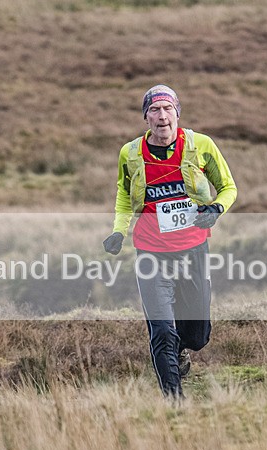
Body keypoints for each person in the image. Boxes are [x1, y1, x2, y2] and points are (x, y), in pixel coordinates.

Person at [102, 84, 237, 398]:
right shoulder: (131, 153)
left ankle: (183, 349)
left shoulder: (201, 146)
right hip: (150, 251)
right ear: (146, 117)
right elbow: (124, 196)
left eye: (167, 109)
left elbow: (228, 188)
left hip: (193, 249)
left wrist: (216, 209)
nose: (162, 117)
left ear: (177, 113)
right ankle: (174, 402)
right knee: (162, 331)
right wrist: (119, 231)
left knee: (198, 334)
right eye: (154, 110)